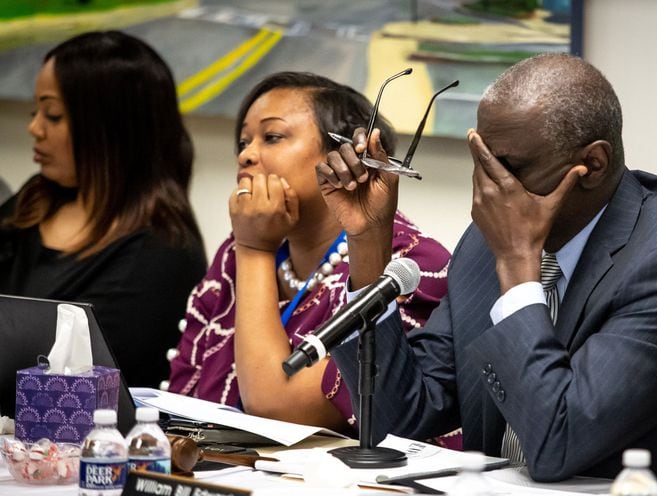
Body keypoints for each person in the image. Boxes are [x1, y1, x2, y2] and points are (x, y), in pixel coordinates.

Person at [316, 54, 657, 495]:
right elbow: (400, 419)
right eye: (481, 163)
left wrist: (519, 268)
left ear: (592, 166)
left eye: (509, 168)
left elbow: (554, 445)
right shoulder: (486, 245)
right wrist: (369, 241)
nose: (486, 191)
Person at [168, 72, 456, 442]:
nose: (246, 154)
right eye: (243, 141)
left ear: (346, 156)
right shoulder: (236, 250)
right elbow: (182, 398)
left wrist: (255, 251)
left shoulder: (410, 263)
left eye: (271, 137)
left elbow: (278, 405)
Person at [0, 31, 207, 389]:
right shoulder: (32, 202)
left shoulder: (162, 251)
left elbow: (71, 377)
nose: (34, 128)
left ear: (109, 127)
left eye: (53, 115)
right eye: (37, 112)